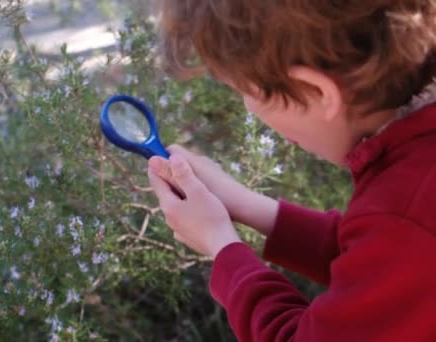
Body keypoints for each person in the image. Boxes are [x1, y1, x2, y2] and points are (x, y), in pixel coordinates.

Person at [146, 1, 436, 341]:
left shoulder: (406, 219)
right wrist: (245, 205)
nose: (249, 109)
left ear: (316, 92)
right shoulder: (415, 177)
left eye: (244, 91)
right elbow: (376, 265)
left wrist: (221, 245)